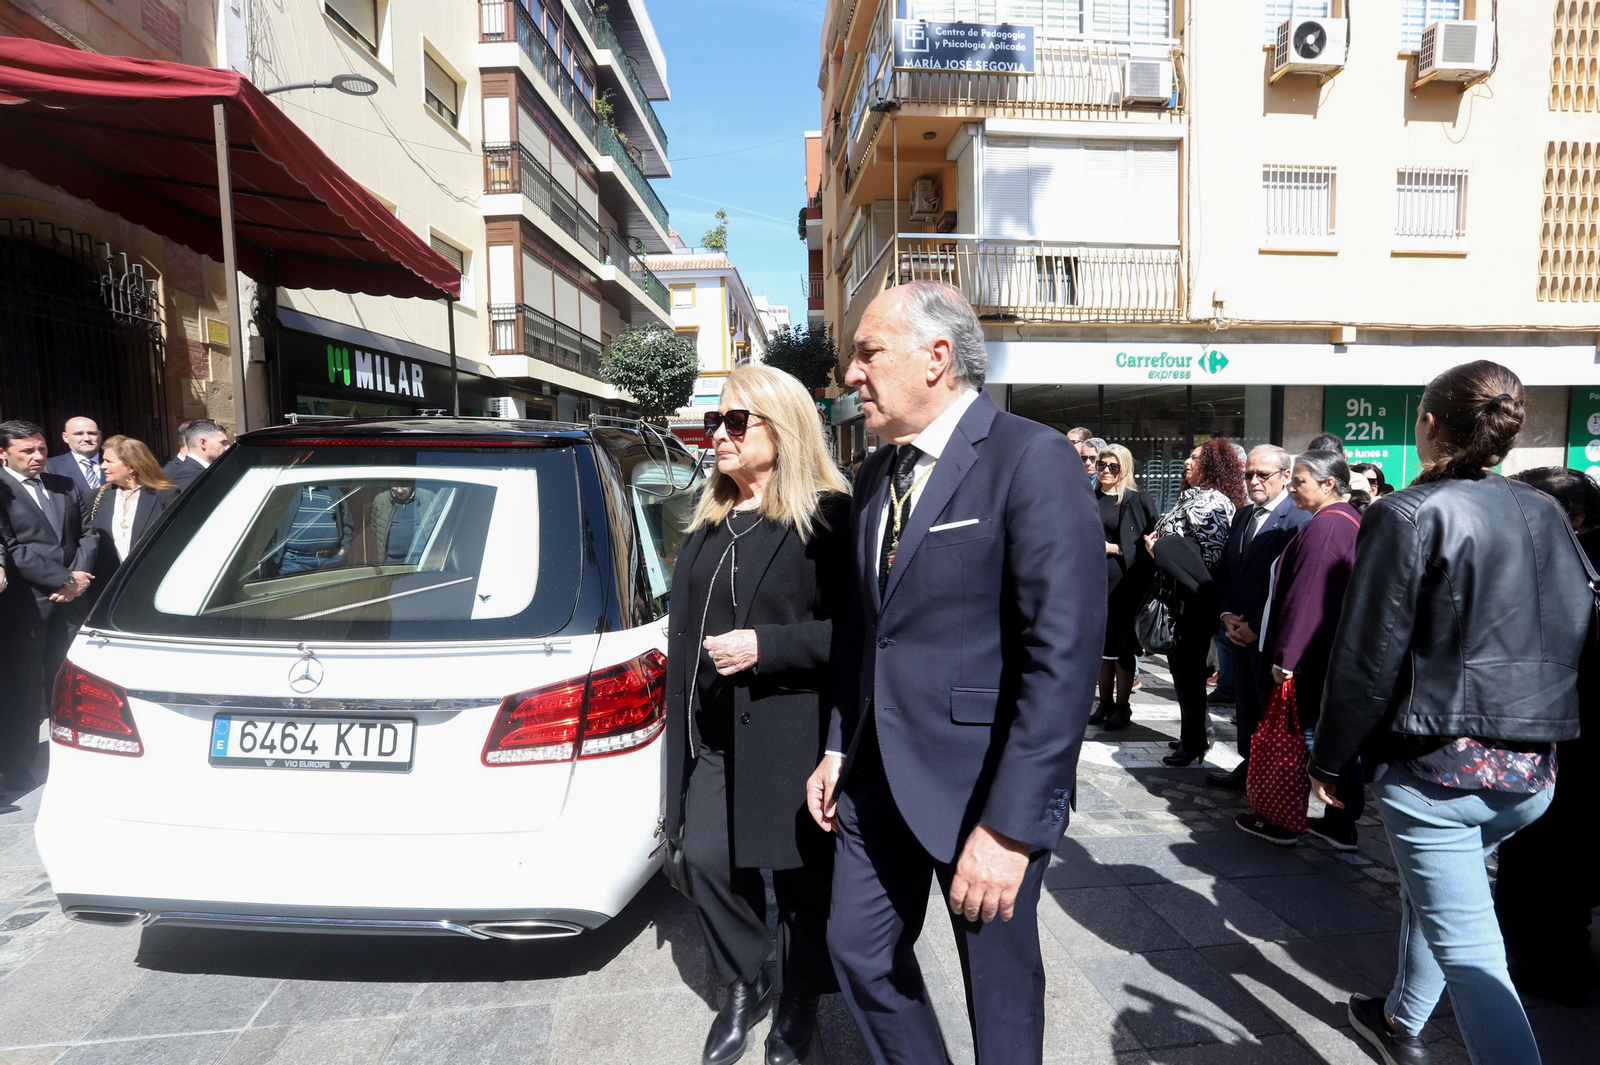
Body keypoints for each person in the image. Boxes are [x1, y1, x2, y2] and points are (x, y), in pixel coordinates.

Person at [807, 281, 1102, 1065]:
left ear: (938, 357)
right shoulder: (875, 476)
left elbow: (1062, 659)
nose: (852, 375)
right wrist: (839, 744)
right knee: (858, 951)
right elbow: (866, 632)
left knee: (999, 1000)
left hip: (984, 790)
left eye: (868, 353)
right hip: (875, 778)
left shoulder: (1030, 458)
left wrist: (1010, 830)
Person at [1312, 362, 1592, 1065]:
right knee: (1438, 896)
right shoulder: (1546, 510)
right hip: (1533, 770)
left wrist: (1328, 757)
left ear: (1429, 423)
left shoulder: (1408, 511)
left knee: (1473, 955)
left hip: (1440, 770)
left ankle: (1414, 1025)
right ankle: (1399, 1017)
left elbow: (1366, 655)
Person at [663, 365, 851, 1065]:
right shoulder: (709, 520)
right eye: (715, 422)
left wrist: (766, 646)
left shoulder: (829, 517)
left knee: (803, 881)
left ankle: (799, 998)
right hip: (711, 732)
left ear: (783, 427)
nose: (718, 436)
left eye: (735, 422)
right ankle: (747, 977)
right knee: (707, 858)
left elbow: (854, 633)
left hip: (791, 733)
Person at [1494, 467, 1600, 1003]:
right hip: (1559, 735)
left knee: (1546, 864)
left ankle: (1546, 967)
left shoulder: (1568, 570)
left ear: (1575, 518)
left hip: (1561, 739)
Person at [1233, 450, 1364, 848]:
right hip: (1328, 655)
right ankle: (1341, 822)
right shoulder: (1340, 520)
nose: (1292, 488)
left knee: (1303, 739)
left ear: (1328, 484)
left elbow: (1305, 600)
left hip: (1311, 660)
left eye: (1299, 481)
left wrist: (1285, 658)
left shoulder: (1327, 527)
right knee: (1330, 741)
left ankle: (1284, 819)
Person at [0, 420, 100, 793]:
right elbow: (12, 547)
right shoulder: (2, 490)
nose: (38, 456)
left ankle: (75, 755)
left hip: (72, 602)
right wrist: (61, 580)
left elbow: (89, 532)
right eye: (27, 451)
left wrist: (78, 576)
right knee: (23, 689)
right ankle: (16, 766)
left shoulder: (64, 484)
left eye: (40, 448)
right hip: (27, 606)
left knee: (71, 684)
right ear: (3, 453)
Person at [1210, 445, 1309, 790]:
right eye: (1248, 474)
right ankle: (1249, 764)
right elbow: (1227, 571)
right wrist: (1227, 617)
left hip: (1268, 635)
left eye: (1262, 474)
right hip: (1237, 630)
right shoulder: (1242, 514)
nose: (1253, 481)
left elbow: (1290, 585)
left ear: (1285, 476)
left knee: (1270, 708)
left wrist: (1253, 625)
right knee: (1246, 704)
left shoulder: (1298, 519)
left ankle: (1272, 777)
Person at [1147, 439, 1243, 768]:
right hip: (1178, 600)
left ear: (1213, 466)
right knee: (1183, 674)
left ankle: (1194, 743)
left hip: (1192, 603)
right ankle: (1195, 734)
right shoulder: (1192, 497)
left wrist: (1159, 551)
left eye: (1195, 458)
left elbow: (1210, 557)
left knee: (1188, 675)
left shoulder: (1212, 502)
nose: (1187, 462)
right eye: (1188, 457)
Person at [1088, 443, 1157, 732]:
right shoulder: (1089, 496)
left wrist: (1115, 547)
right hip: (1094, 582)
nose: (1105, 470)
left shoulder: (1136, 499)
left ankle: (1122, 705)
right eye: (1102, 464)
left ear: (1124, 469)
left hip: (1125, 583)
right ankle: (1103, 702)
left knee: (1122, 647)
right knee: (1102, 647)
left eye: (1113, 466)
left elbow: (1149, 541)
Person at [88, 436, 177, 586]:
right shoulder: (96, 496)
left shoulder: (165, 495)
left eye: (109, 461)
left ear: (131, 466)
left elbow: (174, 540)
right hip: (108, 585)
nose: (102, 466)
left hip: (151, 582)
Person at [266, 483, 354, 576]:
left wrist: (343, 550)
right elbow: (268, 522)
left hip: (331, 561)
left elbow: (347, 522)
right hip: (294, 562)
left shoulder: (333, 490)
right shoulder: (288, 491)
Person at [163, 419, 230, 491]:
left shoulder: (200, 470)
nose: (228, 447)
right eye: (223, 442)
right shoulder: (187, 474)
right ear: (203, 443)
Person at [45, 416, 103, 496]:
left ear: (100, 436)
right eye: (78, 434)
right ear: (65, 437)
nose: (87, 438)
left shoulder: (119, 463)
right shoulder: (50, 467)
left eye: (92, 433)